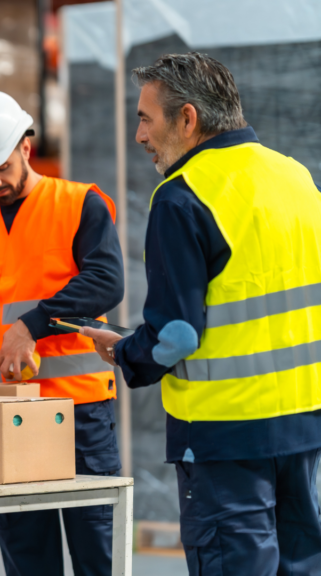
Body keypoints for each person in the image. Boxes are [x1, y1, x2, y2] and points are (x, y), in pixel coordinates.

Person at [82, 52, 321, 575]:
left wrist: (125, 350)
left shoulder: (182, 197)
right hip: (304, 425)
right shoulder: (297, 178)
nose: (139, 135)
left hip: (224, 432)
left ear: (187, 119)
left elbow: (178, 336)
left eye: (146, 118)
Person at [0, 91, 124, 576]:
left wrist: (31, 326)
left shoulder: (79, 204)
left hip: (80, 412)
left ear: (26, 148)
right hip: (6, 416)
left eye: (2, 167)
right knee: (28, 557)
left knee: (97, 553)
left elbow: (106, 280)